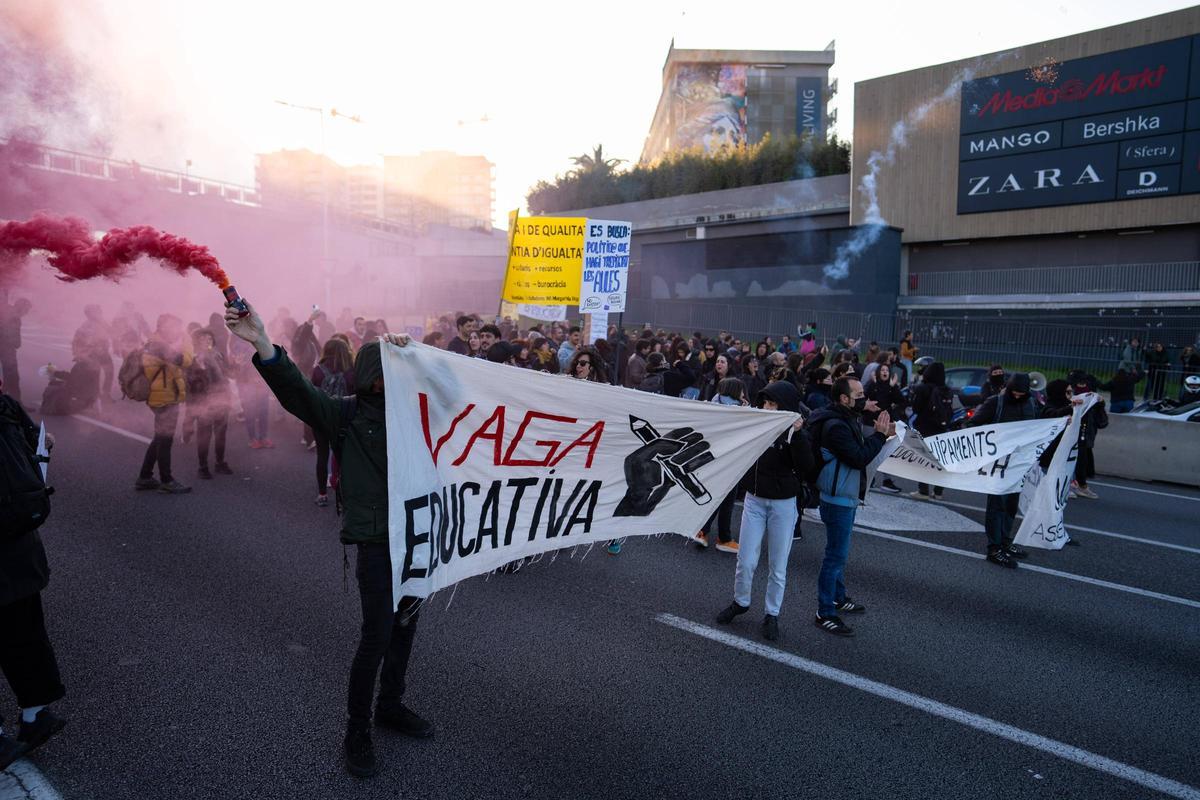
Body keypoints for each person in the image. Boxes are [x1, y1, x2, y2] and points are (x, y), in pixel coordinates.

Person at [226, 301, 431, 779]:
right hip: (377, 543)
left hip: (418, 536)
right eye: (386, 370)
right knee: (377, 635)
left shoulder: (422, 412)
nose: (393, 379)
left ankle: (391, 705)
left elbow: (462, 394)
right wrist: (261, 342)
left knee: (407, 626)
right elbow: (295, 392)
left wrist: (414, 353)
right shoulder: (345, 415)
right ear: (368, 376)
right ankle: (357, 729)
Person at [715, 381, 813, 641]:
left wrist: (799, 436)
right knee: (746, 559)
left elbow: (808, 466)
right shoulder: (756, 424)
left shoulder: (797, 431)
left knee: (778, 564)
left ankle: (772, 614)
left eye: (773, 404)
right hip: (754, 500)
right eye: (765, 403)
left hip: (783, 503)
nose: (768, 408)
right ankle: (741, 602)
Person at [0, 391, 67, 771]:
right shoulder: (4, 405)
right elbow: (42, 443)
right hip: (20, 544)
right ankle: (36, 715)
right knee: (23, 633)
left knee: (18, 631)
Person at [807, 377, 891, 637]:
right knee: (835, 556)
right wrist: (880, 435)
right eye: (859, 394)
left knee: (837, 553)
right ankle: (825, 612)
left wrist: (865, 413)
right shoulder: (836, 426)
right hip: (837, 500)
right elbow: (858, 457)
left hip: (845, 496)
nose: (863, 398)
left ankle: (838, 597)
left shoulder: (844, 416)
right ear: (844, 399)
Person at [966, 373, 1037, 567]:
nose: (1016, 397)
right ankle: (994, 548)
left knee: (1011, 506)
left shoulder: (1031, 404)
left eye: (1021, 394)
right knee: (996, 506)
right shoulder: (994, 402)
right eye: (1014, 393)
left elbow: (1041, 424)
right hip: (997, 465)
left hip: (1017, 465)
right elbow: (972, 425)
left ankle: (1005, 542)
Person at [135, 315, 192, 494]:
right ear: (162, 327)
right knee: (165, 440)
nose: (176, 331)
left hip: (163, 396)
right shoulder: (160, 346)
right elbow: (186, 360)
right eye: (174, 327)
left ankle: (145, 477)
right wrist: (187, 339)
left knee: (160, 438)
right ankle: (167, 480)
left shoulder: (156, 343)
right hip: (164, 398)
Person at [696, 378, 748, 554]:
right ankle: (722, 538)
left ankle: (704, 532)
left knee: (716, 497)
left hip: (712, 458)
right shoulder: (739, 410)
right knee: (726, 500)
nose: (743, 394)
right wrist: (746, 409)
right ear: (735, 392)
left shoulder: (713, 404)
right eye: (741, 391)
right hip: (732, 460)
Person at [312, 338, 355, 507]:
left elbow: (311, 393)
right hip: (343, 419)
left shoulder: (318, 370)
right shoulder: (351, 371)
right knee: (344, 459)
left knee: (322, 456)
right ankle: (344, 495)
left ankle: (322, 494)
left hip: (321, 418)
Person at [187, 329, 234, 480]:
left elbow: (228, 374)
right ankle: (203, 467)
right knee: (204, 436)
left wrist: (237, 365)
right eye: (203, 339)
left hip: (222, 398)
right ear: (197, 341)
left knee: (220, 434)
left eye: (209, 338)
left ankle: (220, 463)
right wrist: (198, 370)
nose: (207, 341)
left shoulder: (217, 354)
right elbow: (191, 382)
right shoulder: (194, 357)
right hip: (205, 401)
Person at [909, 361, 952, 501]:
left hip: (925, 428)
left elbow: (916, 408)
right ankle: (938, 492)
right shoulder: (946, 390)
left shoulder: (923, 388)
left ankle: (923, 490)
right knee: (940, 461)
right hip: (941, 428)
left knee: (923, 460)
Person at [229, 335, 273, 449]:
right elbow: (238, 366)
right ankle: (253, 439)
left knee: (263, 412)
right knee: (250, 412)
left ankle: (263, 437)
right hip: (247, 385)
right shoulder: (238, 344)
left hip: (261, 383)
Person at [1069, 372, 1107, 500]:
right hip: (1071, 429)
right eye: (1080, 383)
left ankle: (1080, 484)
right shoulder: (1069, 393)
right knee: (1069, 458)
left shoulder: (1093, 396)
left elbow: (1101, 420)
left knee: (1082, 459)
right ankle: (1072, 484)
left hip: (1085, 431)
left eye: (1084, 383)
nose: (1082, 385)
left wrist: (1100, 403)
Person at [71, 304, 114, 405]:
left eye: (99, 311)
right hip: (92, 353)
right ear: (89, 314)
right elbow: (77, 341)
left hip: (103, 352)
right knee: (95, 374)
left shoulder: (103, 322)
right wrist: (79, 354)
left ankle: (105, 394)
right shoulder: (86, 326)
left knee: (109, 372)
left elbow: (112, 332)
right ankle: (93, 397)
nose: (99, 313)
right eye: (96, 311)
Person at [0, 293, 32, 403]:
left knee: (11, 377)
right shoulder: (13, 316)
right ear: (21, 307)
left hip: (6, 348)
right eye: (26, 309)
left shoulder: (7, 311)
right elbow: (8, 333)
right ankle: (16, 404)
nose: (27, 312)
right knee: (12, 377)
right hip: (7, 349)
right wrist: (16, 343)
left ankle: (13, 402)